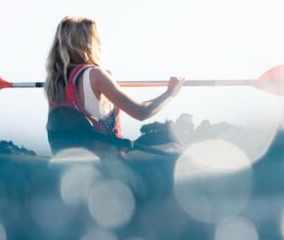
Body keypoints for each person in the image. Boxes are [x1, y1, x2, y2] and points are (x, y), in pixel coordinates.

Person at [45, 16, 183, 153]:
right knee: (175, 149)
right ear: (88, 43)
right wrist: (170, 93)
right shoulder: (96, 75)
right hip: (110, 161)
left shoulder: (55, 82)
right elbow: (141, 112)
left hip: (73, 163)